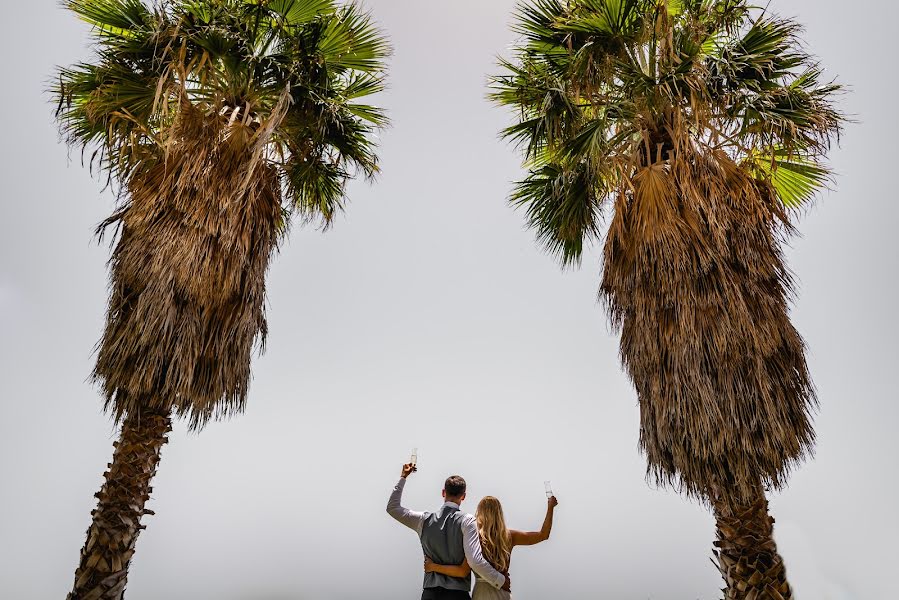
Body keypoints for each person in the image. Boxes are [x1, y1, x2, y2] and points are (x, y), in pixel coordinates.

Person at [387, 463, 512, 600]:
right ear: (463, 496)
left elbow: (392, 508)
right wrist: (500, 580)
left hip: (430, 594)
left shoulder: (423, 520)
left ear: (443, 492)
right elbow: (475, 561)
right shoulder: (468, 521)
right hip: (457, 594)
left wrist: (403, 477)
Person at [423, 493, 558, 600]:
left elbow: (462, 571)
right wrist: (550, 507)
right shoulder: (510, 536)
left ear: (480, 512)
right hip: (502, 593)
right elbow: (543, 535)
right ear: (499, 513)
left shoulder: (474, 537)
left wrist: (433, 566)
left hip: (481, 593)